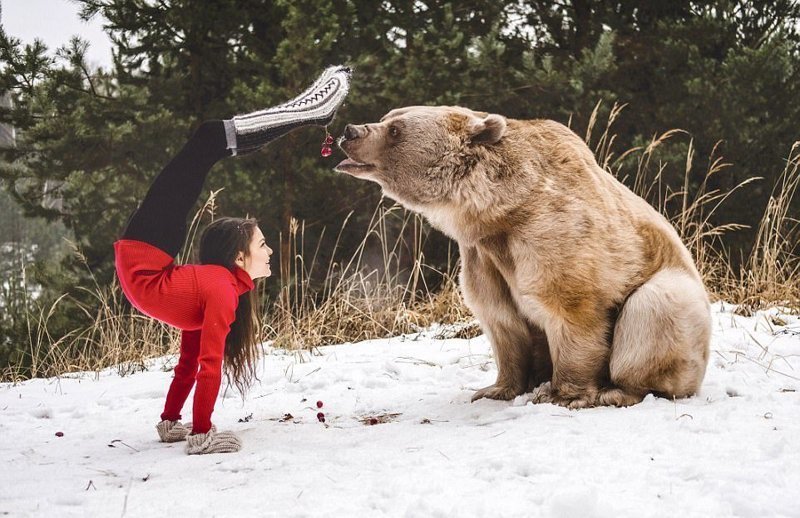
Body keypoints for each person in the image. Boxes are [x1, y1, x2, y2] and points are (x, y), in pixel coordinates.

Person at [114, 66, 351, 455]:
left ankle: (310, 113)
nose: (270, 251)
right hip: (143, 256)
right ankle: (308, 113)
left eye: (262, 245)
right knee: (209, 138)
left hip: (144, 255)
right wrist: (199, 431)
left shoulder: (217, 286)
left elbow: (196, 363)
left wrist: (181, 424)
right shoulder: (219, 288)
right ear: (239, 259)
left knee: (209, 138)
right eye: (263, 245)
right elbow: (204, 365)